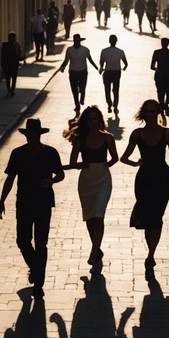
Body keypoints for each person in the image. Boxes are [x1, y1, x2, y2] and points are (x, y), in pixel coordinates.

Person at [121, 99, 169, 279]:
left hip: (162, 178)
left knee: (157, 216)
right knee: (147, 216)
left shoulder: (166, 133)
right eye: (148, 111)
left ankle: (150, 255)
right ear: (143, 114)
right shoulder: (137, 134)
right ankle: (150, 255)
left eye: (154, 111)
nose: (151, 114)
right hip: (143, 179)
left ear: (158, 113)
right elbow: (123, 158)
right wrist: (136, 163)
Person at [0, 118, 65, 299]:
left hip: (43, 202)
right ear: (27, 135)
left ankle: (38, 284)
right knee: (23, 240)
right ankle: (36, 269)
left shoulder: (50, 153)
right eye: (30, 134)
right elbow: (10, 178)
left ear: (40, 135)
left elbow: (60, 174)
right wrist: (2, 201)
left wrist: (50, 181)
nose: (33, 137)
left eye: (36, 134)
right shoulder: (17, 154)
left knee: (41, 243)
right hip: (24, 203)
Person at [64, 106, 119, 265]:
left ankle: (94, 251)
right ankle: (97, 247)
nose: (93, 122)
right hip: (86, 180)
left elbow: (115, 158)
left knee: (98, 215)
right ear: (85, 122)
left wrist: (103, 165)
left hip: (103, 179)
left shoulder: (108, 137)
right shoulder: (80, 139)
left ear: (100, 121)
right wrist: (82, 164)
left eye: (95, 119)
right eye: (89, 119)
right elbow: (73, 162)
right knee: (89, 216)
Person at [59, 33, 99, 112]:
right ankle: (77, 105)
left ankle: (82, 98)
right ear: (74, 41)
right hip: (73, 72)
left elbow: (90, 60)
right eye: (75, 41)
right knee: (74, 90)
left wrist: (97, 68)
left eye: (77, 41)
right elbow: (66, 61)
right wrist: (62, 67)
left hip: (82, 72)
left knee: (82, 87)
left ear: (80, 41)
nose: (76, 42)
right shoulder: (69, 50)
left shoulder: (85, 50)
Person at [99, 34, 129, 115]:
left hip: (107, 72)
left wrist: (101, 68)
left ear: (109, 41)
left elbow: (101, 62)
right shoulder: (120, 51)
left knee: (107, 90)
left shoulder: (104, 51)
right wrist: (124, 68)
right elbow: (126, 63)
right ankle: (115, 107)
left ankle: (109, 104)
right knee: (116, 90)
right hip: (116, 72)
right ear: (116, 41)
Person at [0, 33, 24, 97]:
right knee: (10, 78)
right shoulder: (7, 45)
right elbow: (3, 55)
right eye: (12, 38)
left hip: (11, 64)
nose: (12, 39)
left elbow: (19, 54)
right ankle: (10, 90)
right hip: (10, 64)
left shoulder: (14, 45)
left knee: (11, 78)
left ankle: (11, 90)